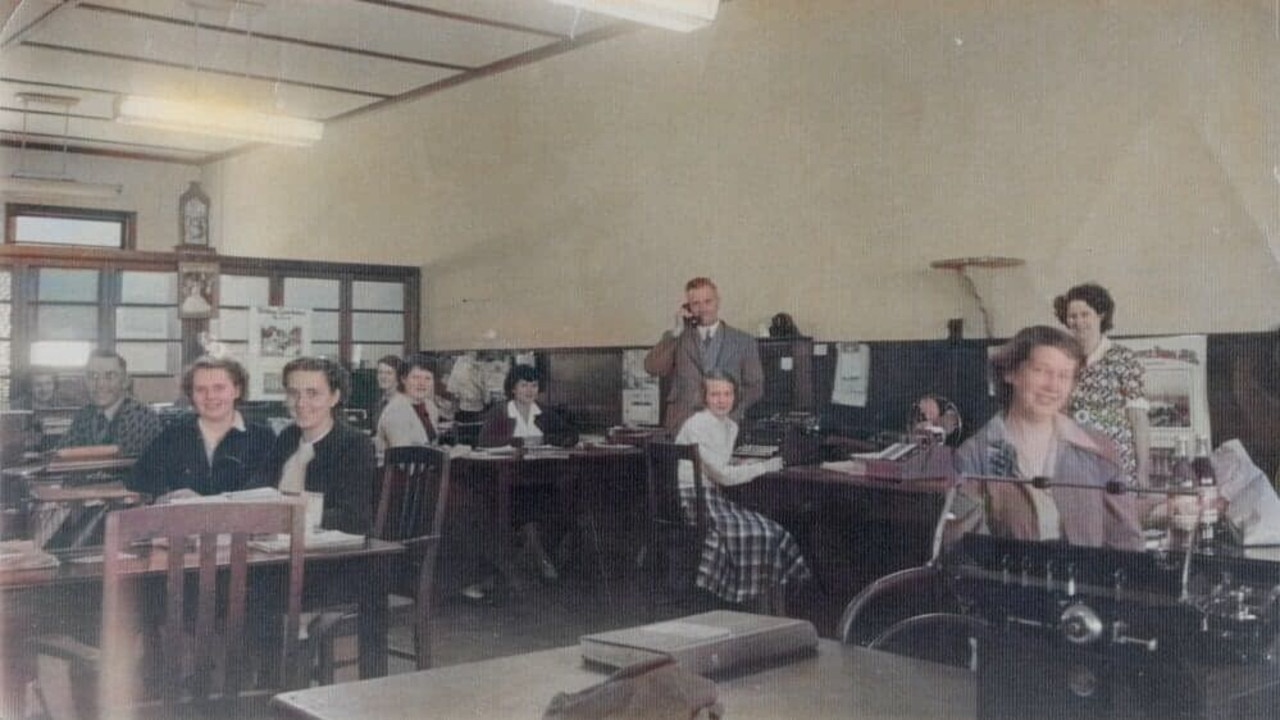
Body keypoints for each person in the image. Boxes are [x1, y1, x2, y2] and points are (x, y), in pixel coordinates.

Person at [946, 326, 1143, 551]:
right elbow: (966, 552)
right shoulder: (973, 456)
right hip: (1009, 585)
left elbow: (1127, 541)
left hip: (1087, 584)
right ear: (1011, 373)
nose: (1053, 386)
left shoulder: (1097, 448)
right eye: (1040, 370)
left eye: (1064, 375)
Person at [675, 370, 811, 614]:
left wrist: (742, 465)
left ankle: (772, 608)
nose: (721, 400)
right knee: (761, 533)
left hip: (711, 495)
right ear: (704, 397)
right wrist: (764, 466)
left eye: (727, 394)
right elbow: (723, 477)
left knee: (772, 530)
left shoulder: (730, 426)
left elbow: (718, 466)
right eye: (714, 394)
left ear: (735, 397)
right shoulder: (696, 424)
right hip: (692, 501)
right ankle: (759, 607)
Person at [474, 364, 579, 588]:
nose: (529, 390)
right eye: (524, 385)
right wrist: (520, 443)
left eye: (534, 385)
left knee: (563, 507)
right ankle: (540, 559)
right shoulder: (501, 412)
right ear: (513, 388)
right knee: (526, 508)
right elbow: (484, 442)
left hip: (542, 478)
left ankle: (537, 556)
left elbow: (570, 435)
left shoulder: (542, 411)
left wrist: (546, 440)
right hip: (507, 482)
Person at [129, 357, 274, 501]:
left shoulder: (263, 438)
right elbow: (139, 481)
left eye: (219, 388)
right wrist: (165, 495)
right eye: (200, 389)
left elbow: (269, 492)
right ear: (191, 395)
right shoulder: (172, 436)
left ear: (236, 391)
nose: (210, 396)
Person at [1053, 282, 1150, 487]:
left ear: (1101, 315)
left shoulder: (1124, 359)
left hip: (1117, 465)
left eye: (1085, 314)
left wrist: (1143, 472)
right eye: (1073, 316)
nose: (1078, 322)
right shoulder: (1062, 360)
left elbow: (1138, 419)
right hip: (1075, 465)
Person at [266, 357, 375, 535]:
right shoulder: (288, 436)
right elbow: (259, 486)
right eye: (293, 393)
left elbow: (354, 517)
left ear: (335, 397)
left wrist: (287, 517)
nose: (300, 403)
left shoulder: (355, 444)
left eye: (313, 393)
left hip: (329, 553)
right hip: (280, 542)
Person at [645, 277, 764, 431]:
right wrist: (676, 332)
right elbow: (652, 368)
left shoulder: (743, 341)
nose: (702, 308)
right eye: (696, 303)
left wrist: (731, 412)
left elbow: (755, 387)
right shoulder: (677, 337)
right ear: (688, 307)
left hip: (724, 426)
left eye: (708, 301)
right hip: (681, 425)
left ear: (718, 302)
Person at [58, 350, 162, 457]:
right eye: (93, 376)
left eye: (110, 376)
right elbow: (61, 454)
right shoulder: (84, 415)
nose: (100, 384)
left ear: (125, 381)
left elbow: (120, 464)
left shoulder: (142, 417)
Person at [375, 353, 447, 460]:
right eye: (416, 377)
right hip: (400, 474)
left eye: (428, 378)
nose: (422, 383)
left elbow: (429, 445)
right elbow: (404, 461)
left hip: (426, 470)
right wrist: (445, 455)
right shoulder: (396, 411)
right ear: (403, 379)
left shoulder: (430, 407)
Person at [371, 354, 405, 428]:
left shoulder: (404, 404)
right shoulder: (380, 403)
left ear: (398, 376)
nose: (383, 377)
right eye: (380, 372)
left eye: (389, 373)